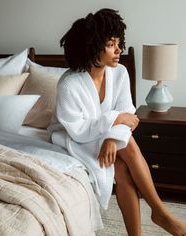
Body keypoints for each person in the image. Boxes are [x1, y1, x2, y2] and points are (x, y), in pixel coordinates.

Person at [48, 8, 186, 236]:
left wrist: (112, 137)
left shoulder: (120, 73)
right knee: (128, 145)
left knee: (121, 167)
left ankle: (145, 226)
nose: (119, 49)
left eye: (119, 42)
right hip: (73, 139)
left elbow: (127, 114)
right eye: (112, 44)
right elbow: (80, 130)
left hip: (104, 136)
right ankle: (160, 212)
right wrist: (116, 120)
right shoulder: (68, 85)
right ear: (92, 46)